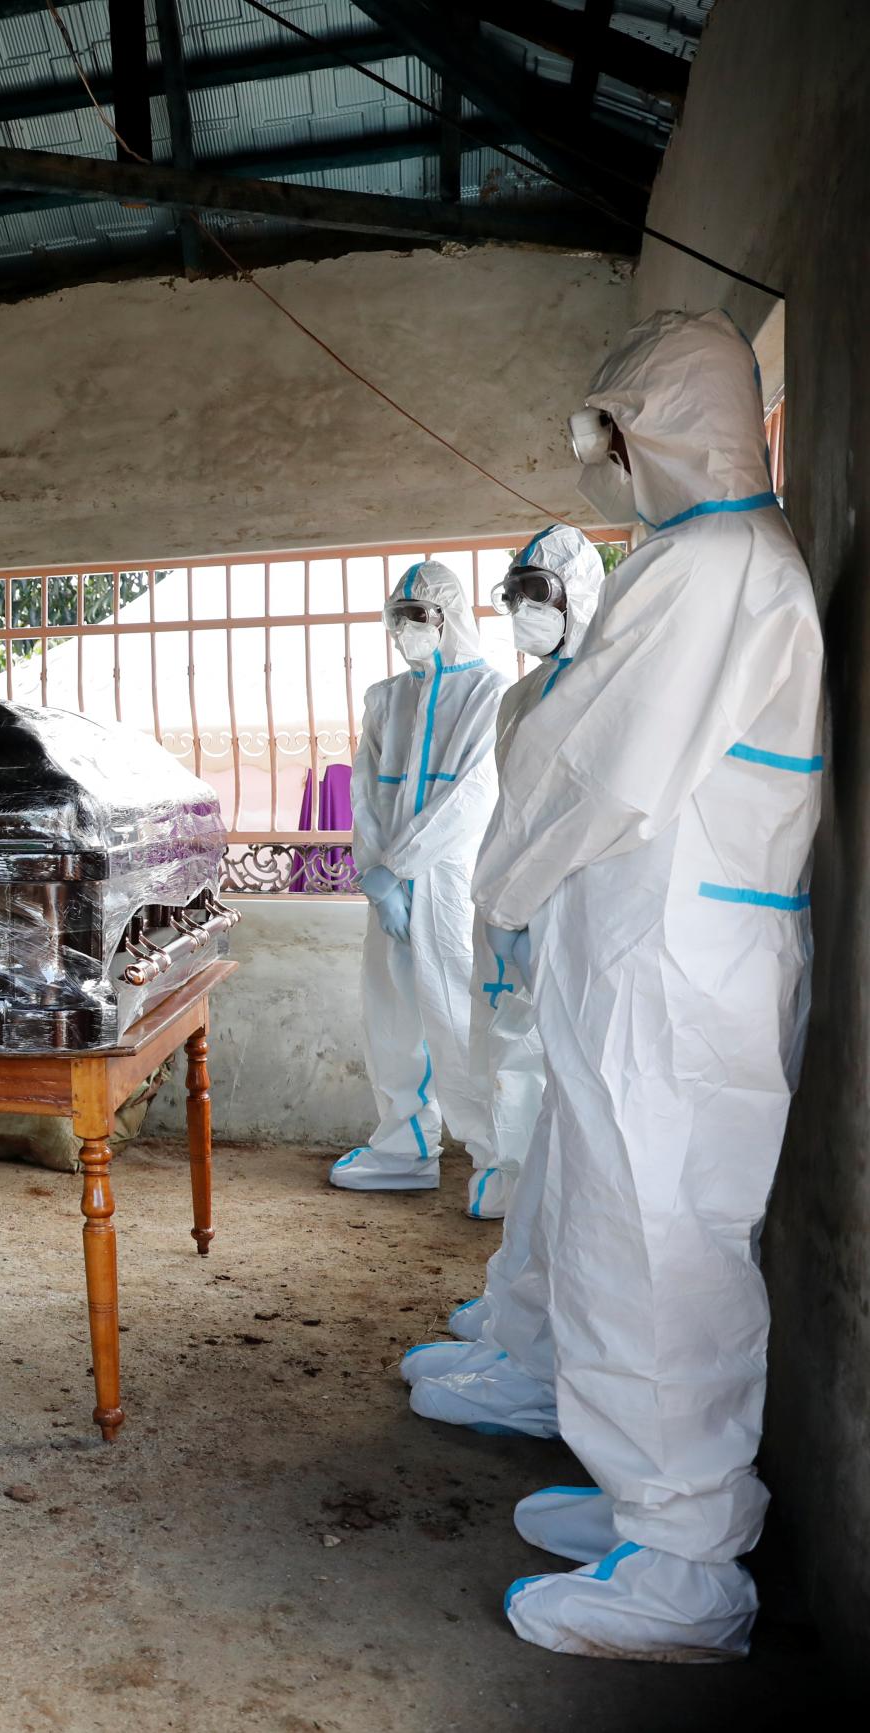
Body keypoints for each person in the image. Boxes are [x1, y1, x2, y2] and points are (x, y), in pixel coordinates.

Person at [474, 309, 823, 1661]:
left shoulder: (716, 562)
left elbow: (590, 759)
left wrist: (500, 885)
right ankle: (652, 1500)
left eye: (617, 434)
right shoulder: (715, 557)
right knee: (638, 1234)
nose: (606, 461)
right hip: (669, 958)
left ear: (666, 427)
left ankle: (684, 1570)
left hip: (674, 972)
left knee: (660, 1247)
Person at [401, 524, 607, 1440]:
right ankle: (516, 1323)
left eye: (542, 592)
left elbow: (588, 819)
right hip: (514, 918)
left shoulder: (604, 691)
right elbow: (512, 814)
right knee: (535, 1138)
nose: (525, 609)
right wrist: (503, 913)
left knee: (570, 1152)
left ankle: (544, 1357)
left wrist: (523, 910)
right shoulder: (528, 695)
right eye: (515, 591)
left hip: (579, 932)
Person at [329, 559, 508, 1195]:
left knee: (459, 1015)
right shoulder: (388, 698)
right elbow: (364, 794)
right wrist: (376, 875)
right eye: (397, 619)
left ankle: (495, 1158)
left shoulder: (489, 692)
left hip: (448, 882)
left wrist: (403, 868)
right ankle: (404, 1147)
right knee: (392, 1013)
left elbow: (471, 796)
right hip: (389, 888)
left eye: (418, 617)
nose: (405, 631)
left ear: (450, 618)